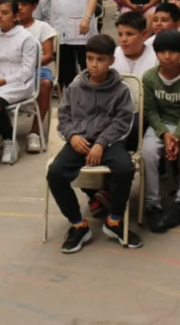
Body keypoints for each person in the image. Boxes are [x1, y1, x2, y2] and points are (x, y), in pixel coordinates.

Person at [47, 34, 142, 253]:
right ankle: (78, 225)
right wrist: (72, 136)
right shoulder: (75, 86)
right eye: (89, 58)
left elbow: (123, 122)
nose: (93, 64)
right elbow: (64, 117)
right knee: (55, 172)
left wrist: (101, 143)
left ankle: (115, 220)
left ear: (111, 60)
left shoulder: (121, 89)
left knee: (125, 168)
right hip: (79, 141)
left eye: (100, 59)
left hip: (110, 143)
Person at [141, 30, 180, 233]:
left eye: (173, 52)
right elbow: (150, 111)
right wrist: (164, 134)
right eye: (162, 52)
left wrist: (176, 136)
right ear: (156, 53)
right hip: (160, 125)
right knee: (148, 153)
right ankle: (153, 204)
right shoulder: (150, 77)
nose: (167, 56)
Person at [0, 0, 40, 164]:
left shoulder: (26, 38)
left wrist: (3, 81)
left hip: (19, 83)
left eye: (5, 13)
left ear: (15, 16)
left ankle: (9, 140)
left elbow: (27, 71)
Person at [14, 0, 57, 154]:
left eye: (24, 5)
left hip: (38, 68)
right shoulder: (11, 27)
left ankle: (35, 131)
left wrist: (29, 65)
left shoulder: (42, 27)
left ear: (33, 6)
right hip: (13, 70)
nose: (19, 8)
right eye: (17, 4)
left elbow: (48, 55)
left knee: (45, 84)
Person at [112, 12, 157, 77]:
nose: (124, 39)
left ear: (144, 34)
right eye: (120, 34)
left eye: (129, 34)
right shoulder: (111, 57)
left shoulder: (156, 58)